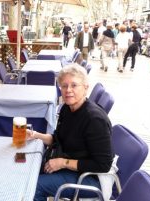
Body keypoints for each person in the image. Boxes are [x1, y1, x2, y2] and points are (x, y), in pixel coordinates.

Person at [28, 63, 113, 201]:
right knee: (27, 171)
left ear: (85, 88)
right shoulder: (67, 109)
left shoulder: (94, 119)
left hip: (91, 177)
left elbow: (103, 165)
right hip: (71, 166)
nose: (68, 90)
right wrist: (36, 135)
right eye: (64, 86)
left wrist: (63, 162)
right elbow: (58, 139)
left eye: (74, 85)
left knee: (34, 186)